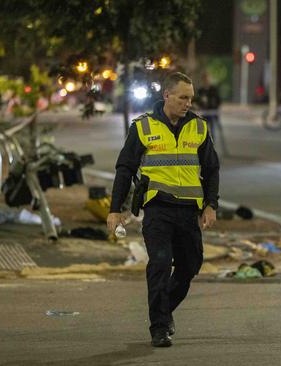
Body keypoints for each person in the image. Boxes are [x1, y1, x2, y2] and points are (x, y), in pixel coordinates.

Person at [106, 72, 219, 348]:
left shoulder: (199, 128)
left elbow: (212, 169)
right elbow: (125, 169)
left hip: (188, 212)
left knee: (190, 265)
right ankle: (159, 327)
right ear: (166, 96)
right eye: (183, 97)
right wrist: (115, 209)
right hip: (158, 209)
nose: (188, 103)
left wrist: (211, 204)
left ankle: (164, 311)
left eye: (191, 98)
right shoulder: (143, 128)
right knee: (159, 264)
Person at [195, 73, 227, 155]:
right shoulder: (201, 90)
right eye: (204, 79)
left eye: (207, 79)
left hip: (213, 113)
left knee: (213, 130)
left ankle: (212, 147)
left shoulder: (213, 89)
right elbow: (197, 101)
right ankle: (203, 147)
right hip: (204, 114)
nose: (206, 81)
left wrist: (214, 106)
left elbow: (218, 100)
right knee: (202, 131)